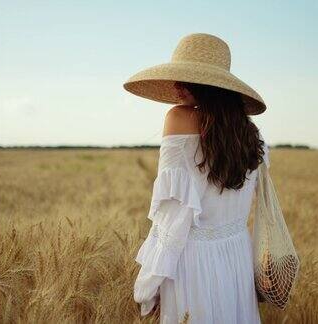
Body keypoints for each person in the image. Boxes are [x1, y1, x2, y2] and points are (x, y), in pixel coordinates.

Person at [123, 33, 269, 323]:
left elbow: (174, 217)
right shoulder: (254, 136)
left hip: (193, 262)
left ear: (208, 85)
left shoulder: (178, 118)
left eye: (185, 78)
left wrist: (149, 283)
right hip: (237, 255)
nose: (176, 86)